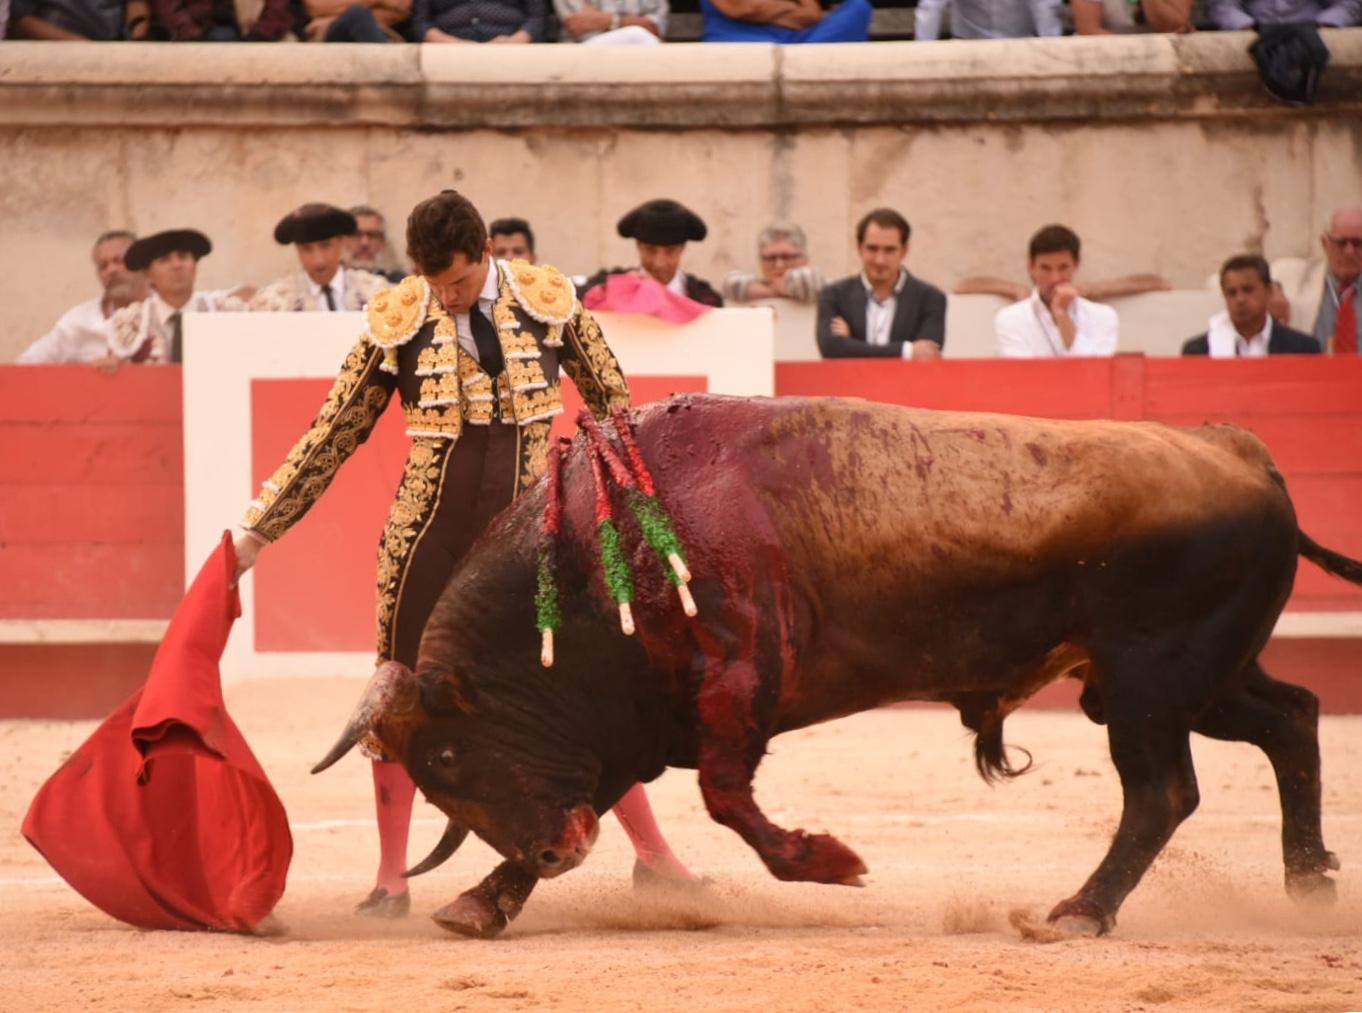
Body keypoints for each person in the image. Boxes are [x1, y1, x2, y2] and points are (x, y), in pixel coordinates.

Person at [231, 190, 696, 917]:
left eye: (455, 281)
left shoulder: (549, 301)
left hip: (533, 534)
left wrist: (632, 514)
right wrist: (259, 529)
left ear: (486, 253)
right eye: (432, 282)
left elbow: (613, 408)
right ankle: (392, 878)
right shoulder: (402, 317)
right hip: (430, 533)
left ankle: (656, 855)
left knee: (581, 697)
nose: (443, 298)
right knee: (400, 693)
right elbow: (334, 430)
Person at [103, 229, 250, 365]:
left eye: (183, 257)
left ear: (195, 267)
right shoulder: (130, 323)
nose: (177, 265)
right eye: (164, 260)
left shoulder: (228, 312)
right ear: (148, 275)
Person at [816, 208, 945, 360]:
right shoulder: (834, 295)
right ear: (859, 248)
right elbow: (832, 349)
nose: (880, 260)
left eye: (889, 250)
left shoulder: (930, 298)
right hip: (849, 384)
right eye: (872, 249)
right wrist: (907, 350)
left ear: (904, 250)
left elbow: (927, 355)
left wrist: (852, 345)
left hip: (906, 384)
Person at [18, 230, 147, 364]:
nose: (111, 270)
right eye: (103, 266)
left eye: (119, 261)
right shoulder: (80, 320)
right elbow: (25, 365)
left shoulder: (164, 310)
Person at [994, 224, 1119, 358]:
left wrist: (1062, 315)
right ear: (1031, 267)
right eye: (1045, 268)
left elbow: (1094, 371)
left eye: (1063, 268)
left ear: (1076, 265)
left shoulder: (1102, 316)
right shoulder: (1010, 318)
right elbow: (1022, 373)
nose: (1055, 278)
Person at [579, 199, 723, 308]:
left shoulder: (703, 297)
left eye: (670, 251)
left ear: (682, 248)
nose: (659, 262)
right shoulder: (609, 283)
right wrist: (618, 288)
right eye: (650, 250)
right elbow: (575, 301)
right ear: (638, 246)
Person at [250, 204, 388, 313]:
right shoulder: (272, 302)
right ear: (297, 249)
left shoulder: (378, 293)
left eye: (326, 246)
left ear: (341, 242)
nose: (318, 260)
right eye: (306, 249)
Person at [1182, 255, 1320, 357]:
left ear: (1269, 291)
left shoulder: (1302, 348)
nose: (1240, 299)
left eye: (1248, 290)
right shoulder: (1199, 351)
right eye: (1232, 293)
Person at [723, 223, 825, 305]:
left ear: (804, 258)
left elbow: (809, 283)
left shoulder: (819, 283)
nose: (779, 265)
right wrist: (777, 290)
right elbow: (730, 283)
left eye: (787, 257)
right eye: (771, 258)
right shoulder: (758, 284)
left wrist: (778, 289)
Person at [1311, 206, 1362, 355]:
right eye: (1341, 243)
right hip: (1312, 375)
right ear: (1325, 244)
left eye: (1358, 243)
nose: (1349, 252)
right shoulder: (1294, 282)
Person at [699, 0, 870, 42]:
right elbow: (744, 8)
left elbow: (812, 15)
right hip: (743, 40)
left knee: (858, 7)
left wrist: (770, 11)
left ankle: (803, 64)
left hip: (800, 41)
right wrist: (790, 10)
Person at [914, 0, 1061, 40]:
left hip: (966, 48)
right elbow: (1045, 9)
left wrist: (920, 58)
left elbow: (930, 10)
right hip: (1020, 48)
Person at [408, 0, 544, 41]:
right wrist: (451, 44)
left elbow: (538, 18)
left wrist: (514, 42)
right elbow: (420, 22)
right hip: (446, 50)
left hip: (514, 48)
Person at [149, 0, 291, 38]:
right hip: (200, 32)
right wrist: (191, 35)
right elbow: (168, 9)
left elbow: (278, 9)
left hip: (256, 31)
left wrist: (261, 34)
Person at [553, 0, 666, 42]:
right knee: (636, 34)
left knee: (637, 35)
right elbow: (578, 25)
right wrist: (633, 21)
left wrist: (611, 21)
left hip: (638, 55)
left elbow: (654, 28)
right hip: (581, 57)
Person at [346, 205, 407, 284]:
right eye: (356, 234)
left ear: (383, 242)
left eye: (373, 235)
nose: (365, 243)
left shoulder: (401, 283)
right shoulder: (330, 280)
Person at [1208, 0, 1358, 30]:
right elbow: (1222, 7)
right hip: (1258, 33)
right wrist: (1249, 27)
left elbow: (1349, 5)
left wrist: (1324, 26)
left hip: (1312, 33)